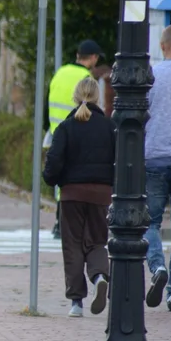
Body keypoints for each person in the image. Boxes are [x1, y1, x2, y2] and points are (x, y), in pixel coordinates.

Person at [42, 77, 115, 318]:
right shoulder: (109, 127)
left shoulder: (65, 127)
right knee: (96, 241)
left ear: (75, 97)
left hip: (71, 194)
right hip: (101, 194)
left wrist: (50, 178)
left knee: (72, 245)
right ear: (97, 98)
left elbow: (53, 162)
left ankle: (76, 303)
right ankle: (99, 277)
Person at [144, 23, 171, 312]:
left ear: (163, 46)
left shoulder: (151, 75)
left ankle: (157, 267)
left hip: (155, 157)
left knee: (150, 222)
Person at [45, 39, 103, 238]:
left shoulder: (60, 72)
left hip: (57, 131)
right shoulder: (85, 77)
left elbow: (47, 101)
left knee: (62, 178)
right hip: (79, 131)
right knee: (75, 178)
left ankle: (58, 222)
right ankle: (64, 224)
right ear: (93, 58)